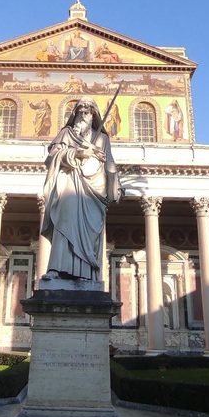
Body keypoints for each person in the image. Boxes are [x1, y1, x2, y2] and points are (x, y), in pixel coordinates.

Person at [41, 97, 123, 280]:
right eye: (80, 110)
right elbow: (52, 156)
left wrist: (115, 186)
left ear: (94, 114)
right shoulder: (66, 134)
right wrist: (76, 153)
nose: (84, 113)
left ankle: (86, 274)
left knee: (89, 231)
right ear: (75, 113)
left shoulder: (101, 138)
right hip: (70, 183)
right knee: (65, 223)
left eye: (88, 111)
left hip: (94, 191)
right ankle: (56, 268)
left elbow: (110, 164)